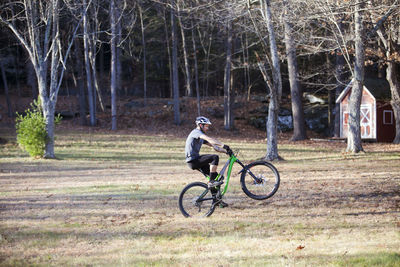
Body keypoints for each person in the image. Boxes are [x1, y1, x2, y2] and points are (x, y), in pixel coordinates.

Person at [185, 116, 233, 190]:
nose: (207, 128)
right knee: (214, 157)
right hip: (193, 160)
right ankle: (211, 182)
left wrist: (226, 152)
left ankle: (215, 200)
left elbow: (214, 146)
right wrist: (224, 145)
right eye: (206, 126)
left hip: (195, 160)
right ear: (201, 125)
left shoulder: (200, 136)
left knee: (217, 179)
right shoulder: (196, 132)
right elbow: (209, 139)